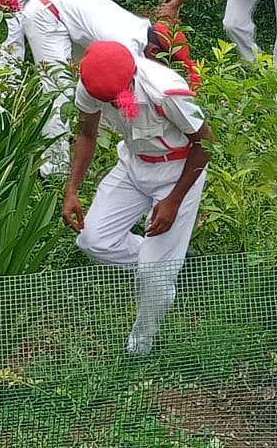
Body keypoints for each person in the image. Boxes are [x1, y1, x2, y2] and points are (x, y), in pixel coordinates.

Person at [63, 41, 212, 356]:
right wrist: (72, 190)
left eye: (117, 97)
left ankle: (139, 348)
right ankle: (163, 266)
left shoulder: (165, 90)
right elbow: (87, 134)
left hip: (178, 169)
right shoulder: (90, 84)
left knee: (153, 273)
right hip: (133, 164)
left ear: (131, 77)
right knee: (92, 240)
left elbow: (206, 143)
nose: (115, 107)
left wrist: (173, 200)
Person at [0, 0, 203, 172]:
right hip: (47, 14)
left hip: (64, 10)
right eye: (167, 61)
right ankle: (54, 170)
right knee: (59, 92)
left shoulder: (142, 32)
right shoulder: (124, 43)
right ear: (155, 52)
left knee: (90, 86)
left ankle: (83, 147)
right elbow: (124, 97)